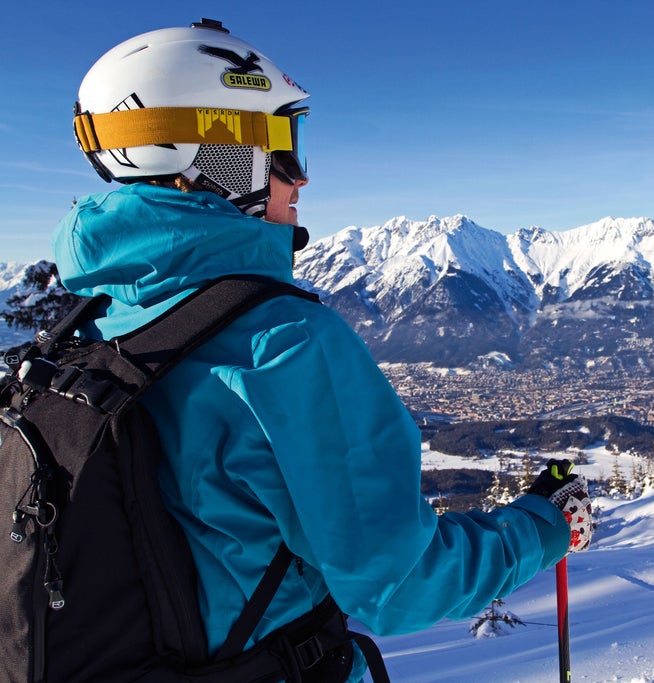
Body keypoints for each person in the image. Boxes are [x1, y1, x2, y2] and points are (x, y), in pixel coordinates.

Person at [58, 18, 591, 682]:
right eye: (281, 144)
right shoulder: (280, 342)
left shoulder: (86, 323)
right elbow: (401, 584)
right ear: (218, 149)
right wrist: (544, 528)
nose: (299, 178)